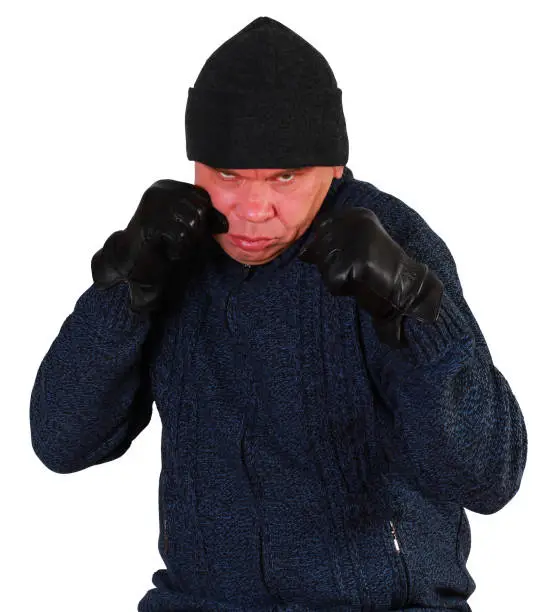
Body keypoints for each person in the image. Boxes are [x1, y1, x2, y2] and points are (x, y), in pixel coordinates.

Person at [29, 16, 528, 612]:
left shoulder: (392, 244)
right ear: (196, 164)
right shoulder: (171, 244)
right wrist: (124, 289)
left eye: (285, 177)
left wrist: (418, 313)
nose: (251, 209)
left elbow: (487, 478)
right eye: (228, 175)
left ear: (334, 166)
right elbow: (61, 442)